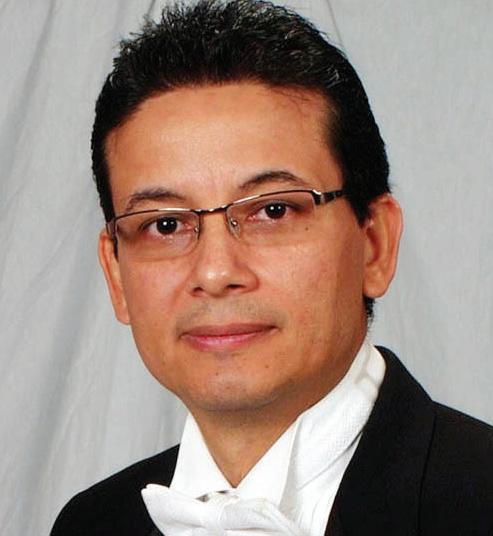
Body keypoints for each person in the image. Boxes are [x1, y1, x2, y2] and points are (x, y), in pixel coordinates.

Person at [51, 0, 493, 534]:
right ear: (116, 274)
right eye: (165, 225)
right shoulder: (92, 523)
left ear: (375, 244)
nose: (215, 272)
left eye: (273, 211)